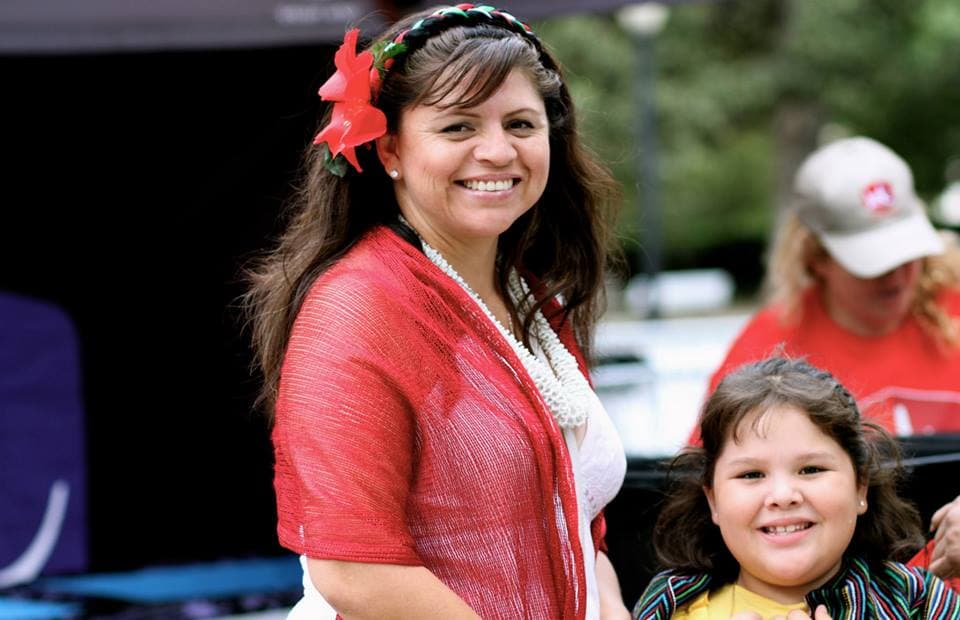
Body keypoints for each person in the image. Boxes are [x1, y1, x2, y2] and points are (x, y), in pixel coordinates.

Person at [244, 4, 629, 619]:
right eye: (458, 128)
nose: (498, 151)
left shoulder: (532, 298)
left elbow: (582, 527)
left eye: (522, 125)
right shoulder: (359, 309)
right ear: (390, 148)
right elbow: (354, 570)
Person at [700, 136, 960, 585]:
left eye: (907, 255)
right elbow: (722, 478)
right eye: (874, 263)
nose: (898, 277)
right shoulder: (768, 347)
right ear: (816, 255)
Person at [634, 356, 960, 619]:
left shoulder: (916, 601)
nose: (783, 496)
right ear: (713, 500)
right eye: (751, 475)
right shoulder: (673, 606)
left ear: (861, 488)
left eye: (811, 469)